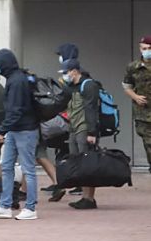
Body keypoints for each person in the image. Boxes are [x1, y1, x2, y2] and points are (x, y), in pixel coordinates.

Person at [0, 49, 40, 221]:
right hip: (17, 129)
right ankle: (5, 204)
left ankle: (30, 208)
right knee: (7, 166)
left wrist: (2, 130)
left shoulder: (16, 81)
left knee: (28, 169)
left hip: (24, 130)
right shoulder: (16, 78)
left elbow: (15, 111)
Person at [59, 59, 100, 210]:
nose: (65, 75)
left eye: (66, 72)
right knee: (77, 162)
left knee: (87, 163)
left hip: (85, 128)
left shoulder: (88, 85)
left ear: (74, 71)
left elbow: (91, 109)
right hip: (74, 127)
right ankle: (84, 197)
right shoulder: (72, 87)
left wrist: (91, 132)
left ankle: (89, 198)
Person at [124, 35, 151, 174]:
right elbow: (127, 86)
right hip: (144, 114)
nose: (147, 51)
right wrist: (135, 97)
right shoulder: (133, 67)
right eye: (144, 48)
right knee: (149, 145)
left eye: (149, 48)